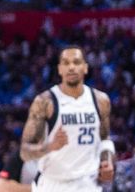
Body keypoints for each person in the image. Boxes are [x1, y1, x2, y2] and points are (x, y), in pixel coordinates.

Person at [20, 46, 114, 192]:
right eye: (66, 63)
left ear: (85, 68)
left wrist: (107, 161)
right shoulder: (45, 102)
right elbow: (24, 151)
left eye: (76, 62)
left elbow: (105, 138)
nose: (71, 67)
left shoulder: (101, 100)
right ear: (59, 69)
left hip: (88, 183)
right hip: (53, 183)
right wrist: (50, 146)